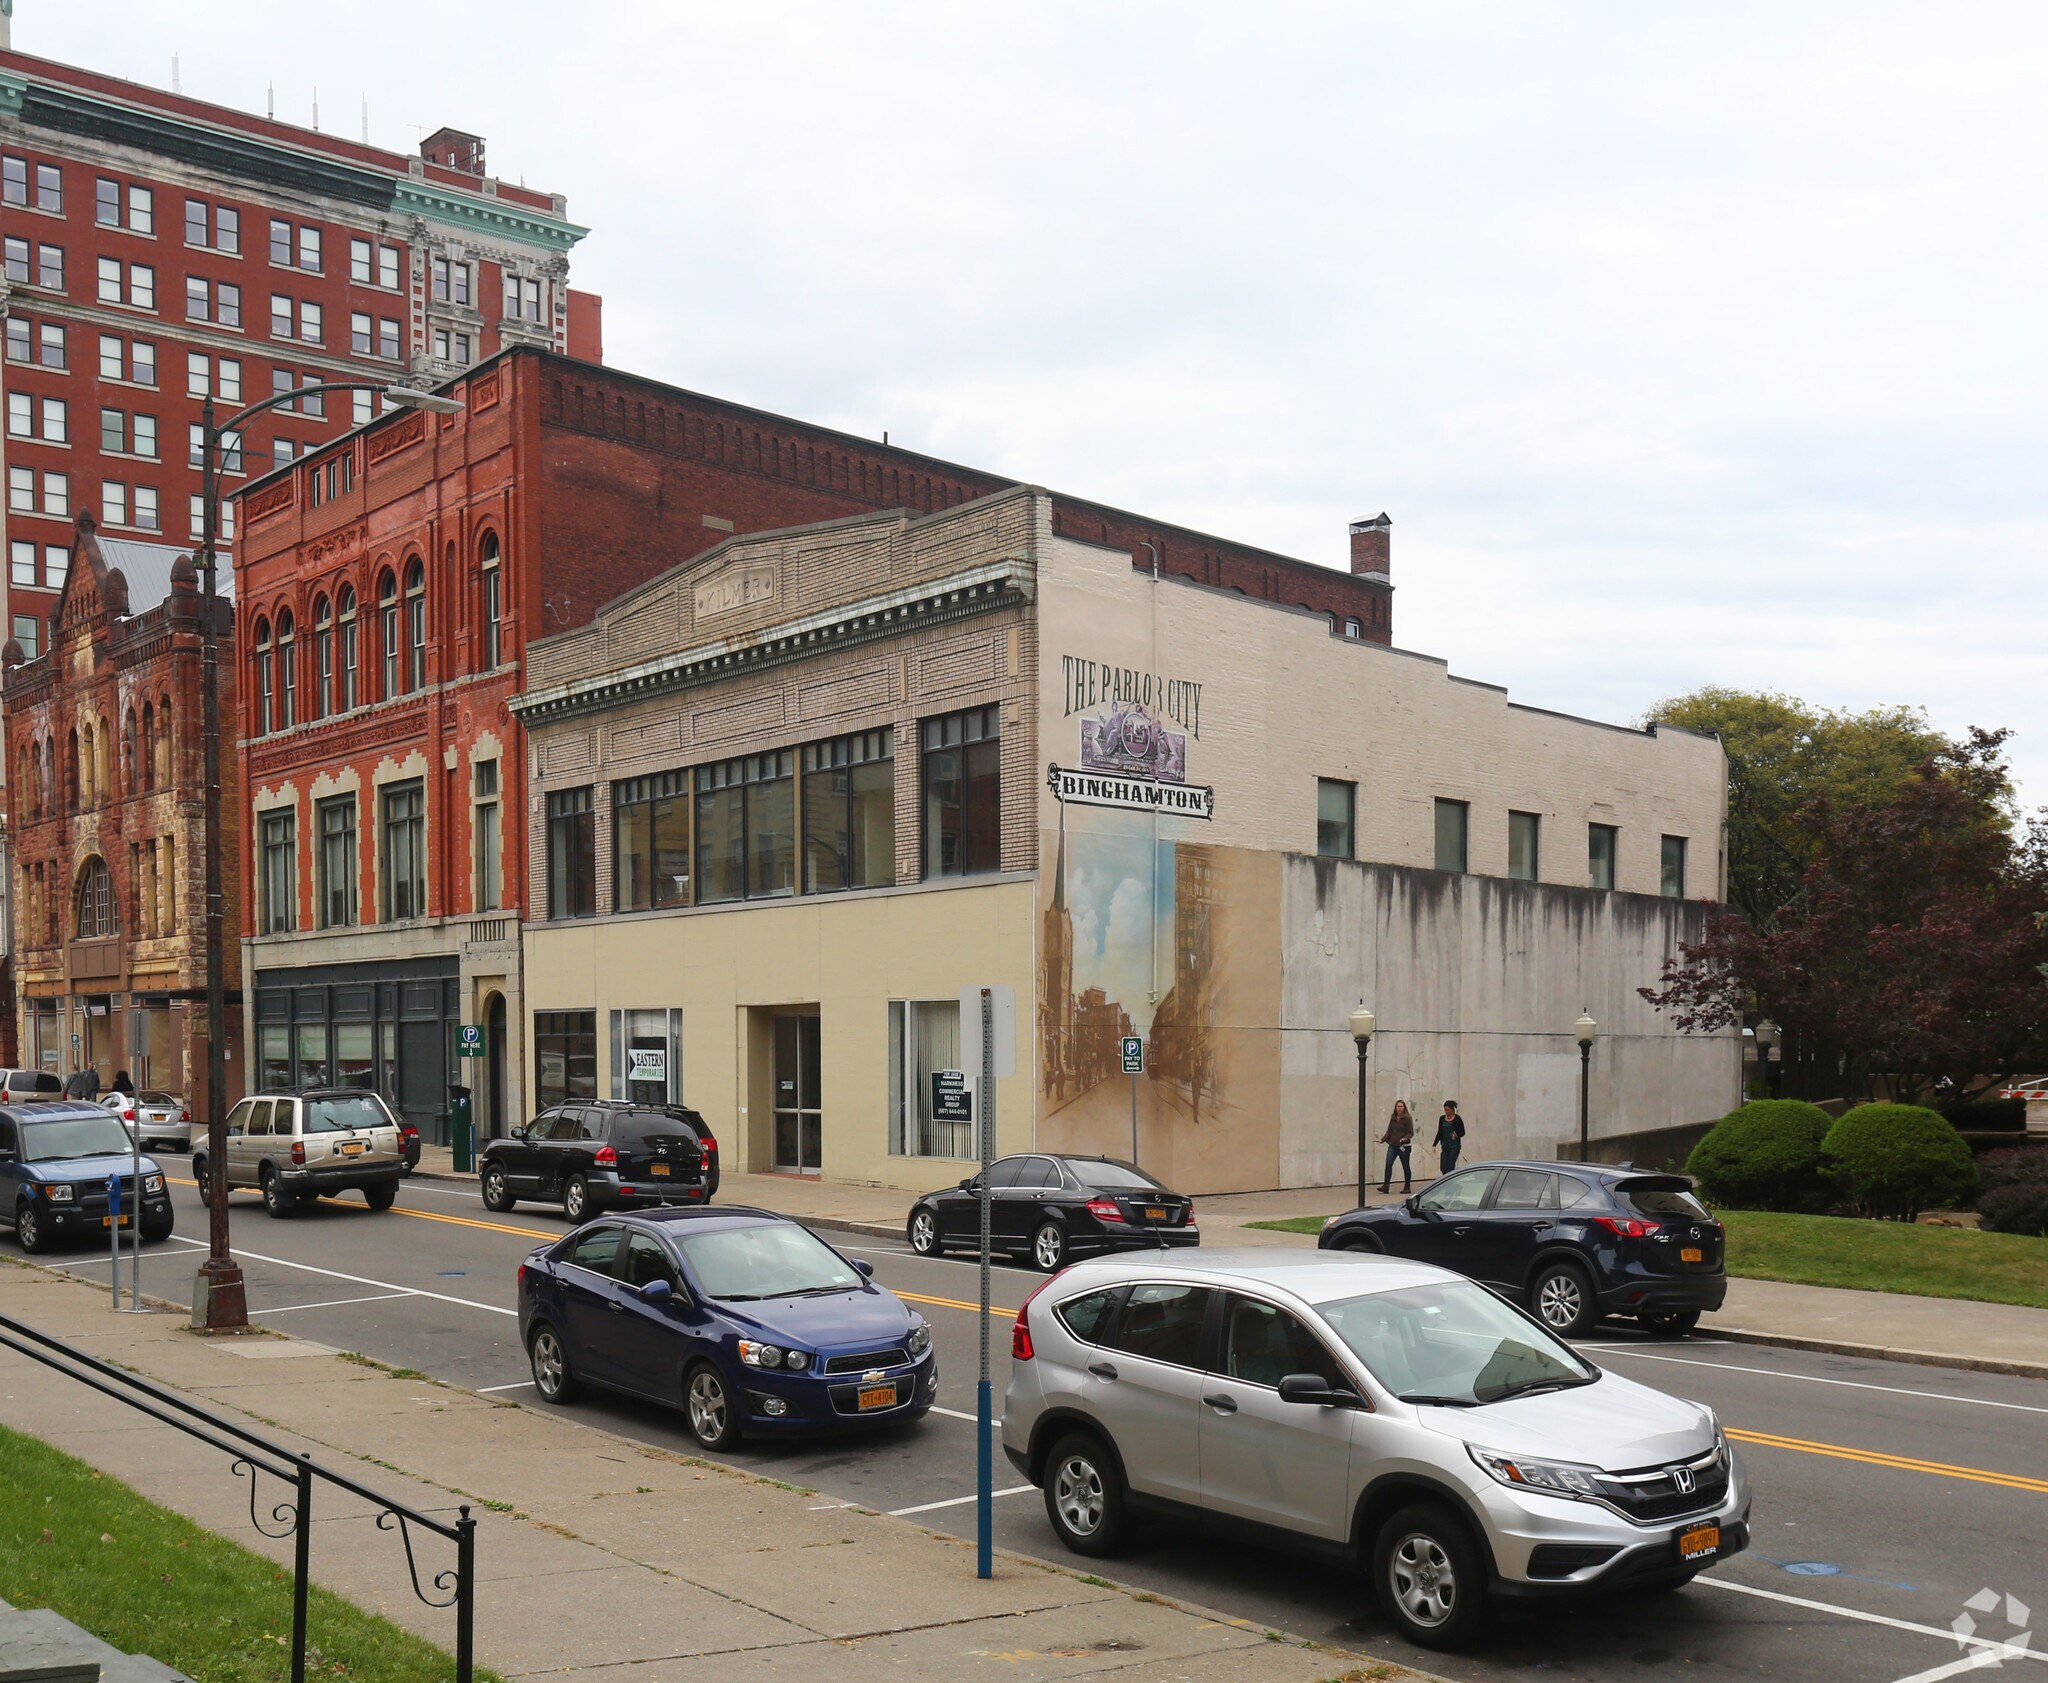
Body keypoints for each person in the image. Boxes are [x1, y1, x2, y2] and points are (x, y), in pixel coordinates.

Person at [1377, 1099, 1415, 1195]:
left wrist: (1405, 1138)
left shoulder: (1407, 1118)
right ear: (1395, 1107)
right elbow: (1389, 1130)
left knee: (1405, 1166)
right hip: (1393, 1145)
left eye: (1401, 1106)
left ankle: (1407, 1186)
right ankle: (1386, 1185)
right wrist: (1382, 1139)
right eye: (1398, 1106)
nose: (1399, 1108)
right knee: (1388, 1164)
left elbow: (1411, 1132)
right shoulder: (1393, 1117)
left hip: (1403, 1146)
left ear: (1404, 1107)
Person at [1432, 1100, 1466, 1176]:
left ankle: (1450, 1183)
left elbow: (1463, 1132)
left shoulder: (1457, 1118)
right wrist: (1434, 1144)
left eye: (1448, 1110)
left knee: (1450, 1167)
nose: (1446, 1112)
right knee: (1443, 1167)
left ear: (1452, 1109)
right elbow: (1440, 1132)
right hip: (1445, 1145)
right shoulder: (1442, 1118)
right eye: (1445, 1110)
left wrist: (1457, 1135)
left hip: (1454, 1146)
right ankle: (1450, 1181)